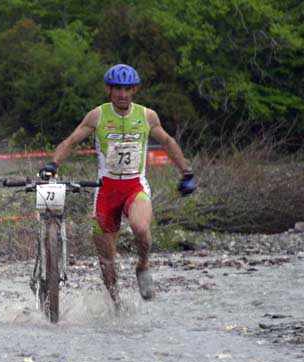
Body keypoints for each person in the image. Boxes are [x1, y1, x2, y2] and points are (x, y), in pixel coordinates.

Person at [39, 64, 196, 305]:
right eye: (117, 90)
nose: (122, 95)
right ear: (108, 90)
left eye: (126, 89)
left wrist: (185, 171)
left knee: (140, 227)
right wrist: (53, 164)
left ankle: (142, 266)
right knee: (107, 260)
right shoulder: (97, 115)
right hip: (106, 190)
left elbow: (167, 141)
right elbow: (71, 141)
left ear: (134, 90)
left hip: (135, 187)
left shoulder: (147, 115)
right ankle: (116, 304)